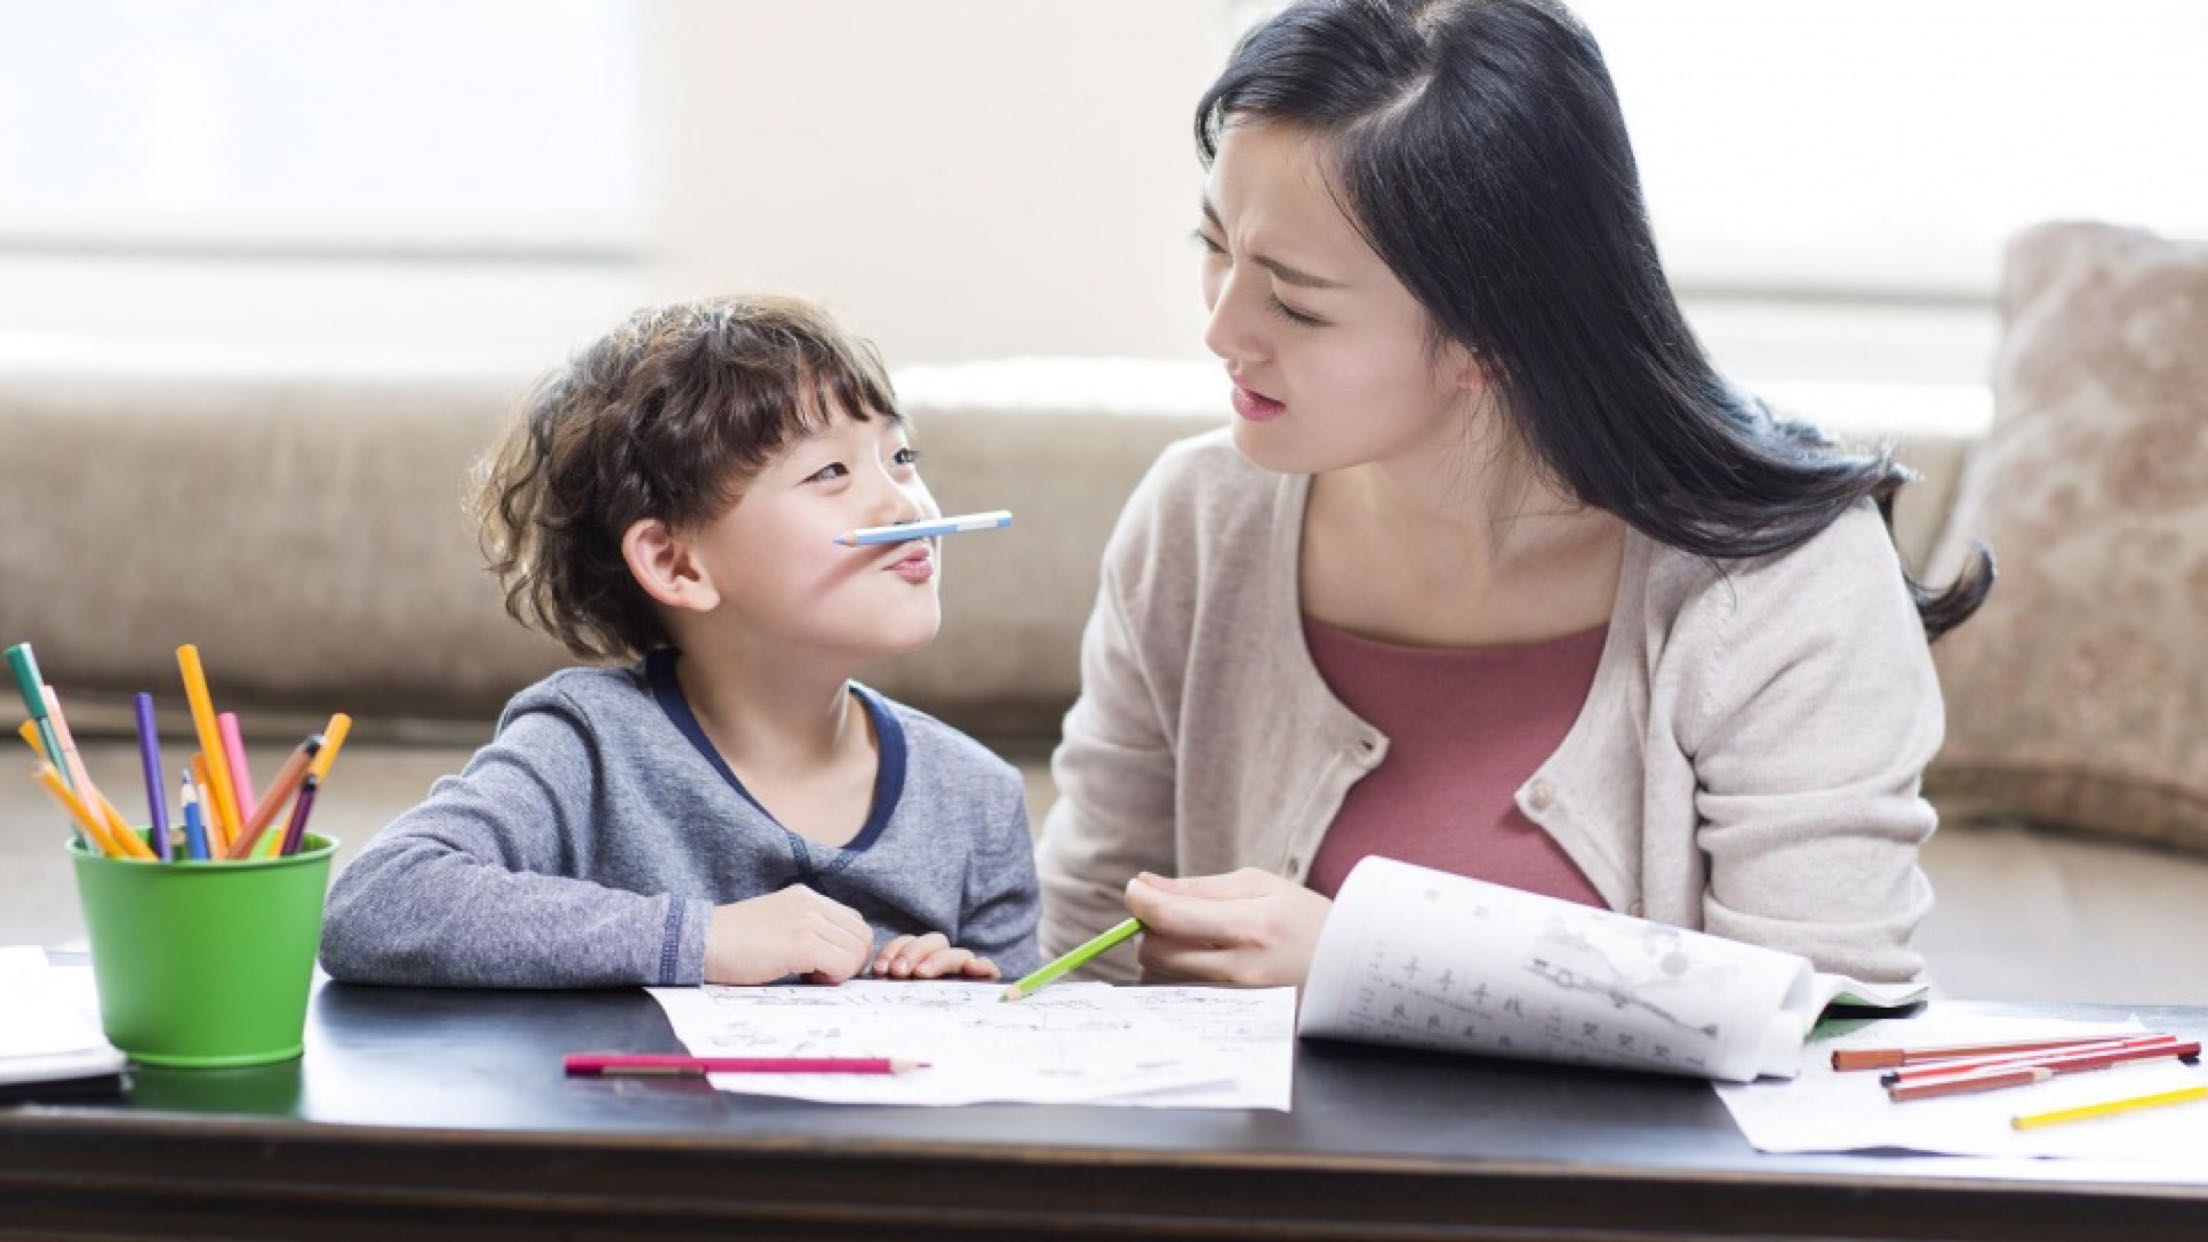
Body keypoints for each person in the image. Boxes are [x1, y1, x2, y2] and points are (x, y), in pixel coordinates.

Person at [1036, 0, 1991, 988]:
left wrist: (1374, 958)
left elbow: (1820, 1018)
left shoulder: (1787, 584)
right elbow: (1079, 951)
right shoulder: (1197, 520)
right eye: (1215, 249)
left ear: (1493, 338)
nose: (1223, 327)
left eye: (1292, 299)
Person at [321, 295, 1040, 988]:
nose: (905, 504)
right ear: (676, 563)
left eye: (902, 455)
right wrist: (705, 941)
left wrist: (958, 998)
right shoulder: (590, 747)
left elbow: (1015, 1058)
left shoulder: (978, 800)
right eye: (831, 471)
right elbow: (377, 903)